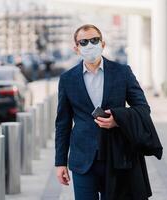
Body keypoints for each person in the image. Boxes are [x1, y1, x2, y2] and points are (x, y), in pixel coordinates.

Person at [55, 24, 151, 200]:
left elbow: (143, 108)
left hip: (117, 158)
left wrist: (119, 119)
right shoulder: (67, 79)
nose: (89, 45)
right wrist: (60, 162)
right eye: (83, 42)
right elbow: (63, 123)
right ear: (76, 49)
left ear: (103, 44)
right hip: (83, 160)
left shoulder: (122, 72)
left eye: (94, 40)